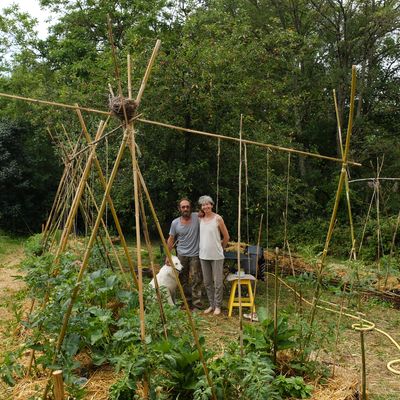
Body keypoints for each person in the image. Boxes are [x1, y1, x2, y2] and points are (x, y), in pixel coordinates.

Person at [167, 198, 203, 310]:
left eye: (187, 206)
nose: (185, 209)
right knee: (183, 279)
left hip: (195, 254)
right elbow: (171, 239)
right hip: (181, 254)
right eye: (183, 207)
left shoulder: (197, 217)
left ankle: (197, 304)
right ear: (179, 209)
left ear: (190, 207)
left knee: (196, 279)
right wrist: (168, 256)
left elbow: (208, 214)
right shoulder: (175, 223)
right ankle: (186, 302)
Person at [198, 195, 230, 315]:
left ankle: (218, 306)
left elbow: (226, 236)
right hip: (203, 255)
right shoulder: (200, 219)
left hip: (217, 255)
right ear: (201, 207)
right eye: (203, 205)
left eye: (208, 204)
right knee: (207, 282)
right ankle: (211, 305)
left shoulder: (218, 218)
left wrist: (221, 248)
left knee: (217, 282)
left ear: (211, 205)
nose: (206, 206)